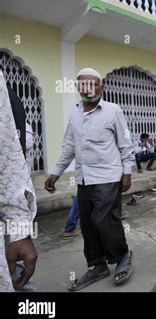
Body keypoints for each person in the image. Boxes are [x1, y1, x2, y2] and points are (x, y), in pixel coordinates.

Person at [44, 68, 134, 291]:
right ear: (78, 88)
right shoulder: (74, 114)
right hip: (84, 179)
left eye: (93, 84)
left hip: (108, 176)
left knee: (105, 220)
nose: (89, 89)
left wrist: (127, 171)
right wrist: (56, 172)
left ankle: (122, 256)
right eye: (84, 84)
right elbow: (68, 147)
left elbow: (125, 143)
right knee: (88, 224)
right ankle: (98, 265)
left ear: (101, 86)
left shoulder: (113, 111)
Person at [0, 71, 38, 292]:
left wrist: (18, 230)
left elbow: (8, 157)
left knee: (18, 278)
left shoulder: (10, 99)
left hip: (8, 206)